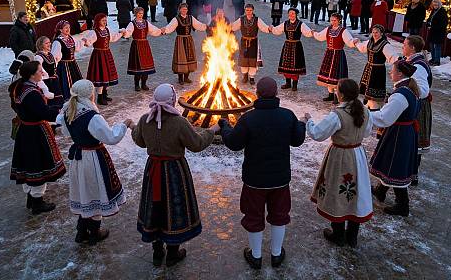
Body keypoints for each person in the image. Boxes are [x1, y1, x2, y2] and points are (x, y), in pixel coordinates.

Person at [219, 77, 306, 270]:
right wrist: (302, 124)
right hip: (280, 179)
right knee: (279, 214)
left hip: (254, 180)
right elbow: (297, 140)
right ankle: (276, 254)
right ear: (276, 93)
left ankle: (256, 256)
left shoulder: (249, 118)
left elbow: (234, 143)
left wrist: (225, 127)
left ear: (257, 94)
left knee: (253, 215)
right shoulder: (287, 115)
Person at [131, 84, 216, 267]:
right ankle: (172, 253)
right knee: (174, 207)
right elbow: (197, 144)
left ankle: (157, 251)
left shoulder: (146, 119)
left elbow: (139, 141)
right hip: (174, 171)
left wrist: (133, 128)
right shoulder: (179, 122)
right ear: (172, 100)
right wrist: (213, 130)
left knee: (155, 206)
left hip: (153, 169)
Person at [56, 80, 132, 245]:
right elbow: (111, 137)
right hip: (93, 158)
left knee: (85, 192)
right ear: (90, 94)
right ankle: (94, 232)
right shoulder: (92, 116)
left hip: (78, 158)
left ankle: (82, 231)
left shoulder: (68, 109)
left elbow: (66, 133)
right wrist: (124, 125)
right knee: (95, 192)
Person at [303, 78, 372, 247]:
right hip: (358, 155)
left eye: (337, 90)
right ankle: (352, 236)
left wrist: (309, 121)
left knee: (337, 191)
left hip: (340, 156)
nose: (335, 92)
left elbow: (318, 134)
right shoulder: (365, 110)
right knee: (357, 192)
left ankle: (339, 234)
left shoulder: (338, 114)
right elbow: (368, 131)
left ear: (341, 94)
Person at [9, 61, 66, 214]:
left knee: (29, 164)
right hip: (35, 133)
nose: (42, 73)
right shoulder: (32, 93)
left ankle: (31, 198)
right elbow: (44, 112)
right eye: (40, 71)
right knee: (38, 165)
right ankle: (37, 203)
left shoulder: (22, 87)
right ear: (32, 75)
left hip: (26, 131)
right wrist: (61, 111)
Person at [370, 61, 420, 217]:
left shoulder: (400, 95)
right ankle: (380, 190)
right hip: (405, 132)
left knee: (395, 165)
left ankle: (402, 205)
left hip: (399, 134)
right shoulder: (409, 90)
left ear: (400, 74)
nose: (390, 73)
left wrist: (366, 115)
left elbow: (385, 118)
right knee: (391, 163)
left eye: (392, 70)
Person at [402, 35, 432, 186]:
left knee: (415, 141)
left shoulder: (418, 66)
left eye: (405, 44)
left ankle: (412, 175)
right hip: (414, 104)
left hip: (417, 107)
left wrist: (406, 93)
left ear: (412, 47)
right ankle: (410, 174)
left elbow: (424, 90)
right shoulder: (412, 61)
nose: (402, 46)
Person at [312, 13, 356, 103]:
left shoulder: (343, 31)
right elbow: (320, 36)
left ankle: (337, 96)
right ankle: (330, 95)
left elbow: (349, 41)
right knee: (328, 75)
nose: (332, 22)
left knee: (336, 75)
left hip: (338, 55)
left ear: (339, 20)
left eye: (334, 20)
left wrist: (354, 42)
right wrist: (314, 33)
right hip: (329, 54)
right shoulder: (328, 29)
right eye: (331, 20)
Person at [162, 3, 207, 85]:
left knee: (189, 58)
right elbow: (170, 27)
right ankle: (180, 78)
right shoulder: (176, 19)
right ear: (180, 10)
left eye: (186, 9)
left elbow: (198, 25)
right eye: (183, 9)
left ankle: (186, 77)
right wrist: (164, 30)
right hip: (180, 40)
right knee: (181, 58)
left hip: (189, 39)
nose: (184, 10)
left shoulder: (190, 18)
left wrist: (206, 26)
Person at [355, 25, 398, 110]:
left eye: (377, 32)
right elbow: (362, 48)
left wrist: (399, 62)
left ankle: (375, 106)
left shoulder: (385, 45)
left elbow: (392, 56)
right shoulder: (370, 42)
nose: (374, 34)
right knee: (367, 86)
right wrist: (356, 43)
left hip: (378, 70)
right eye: (373, 32)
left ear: (381, 33)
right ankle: (368, 103)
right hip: (369, 67)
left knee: (375, 87)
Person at [84, 14, 124, 105]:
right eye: (103, 20)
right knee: (101, 75)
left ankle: (105, 94)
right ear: (98, 21)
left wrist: (121, 33)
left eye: (105, 20)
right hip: (98, 55)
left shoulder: (107, 30)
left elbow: (113, 38)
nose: (104, 22)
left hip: (107, 54)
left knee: (107, 75)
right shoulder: (94, 32)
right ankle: (100, 97)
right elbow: (89, 41)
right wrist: (85, 41)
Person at [271, 8, 313, 91]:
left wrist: (312, 32)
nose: (291, 15)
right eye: (290, 13)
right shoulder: (285, 23)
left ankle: (294, 84)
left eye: (293, 13)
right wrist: (271, 28)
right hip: (287, 45)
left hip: (296, 46)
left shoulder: (300, 24)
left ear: (296, 15)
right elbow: (277, 30)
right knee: (286, 65)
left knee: (295, 64)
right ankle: (288, 83)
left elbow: (307, 32)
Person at [231, 4, 271, 85]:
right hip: (244, 42)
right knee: (244, 59)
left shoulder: (257, 20)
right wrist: (225, 25)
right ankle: (245, 76)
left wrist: (269, 29)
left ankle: (252, 77)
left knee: (253, 60)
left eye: (250, 10)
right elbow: (233, 27)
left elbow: (264, 27)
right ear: (245, 11)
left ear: (253, 11)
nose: (248, 12)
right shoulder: (241, 19)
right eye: (247, 10)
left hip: (253, 42)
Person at [124, 7, 162, 91]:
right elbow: (128, 32)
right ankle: (137, 85)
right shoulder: (132, 23)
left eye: (142, 13)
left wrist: (161, 31)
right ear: (135, 14)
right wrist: (124, 33)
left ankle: (144, 84)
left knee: (146, 66)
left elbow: (153, 30)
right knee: (138, 67)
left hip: (145, 45)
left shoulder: (146, 22)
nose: (140, 15)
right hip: (136, 45)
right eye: (139, 13)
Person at [51, 20, 86, 100]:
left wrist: (83, 41)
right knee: (66, 84)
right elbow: (55, 56)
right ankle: (68, 101)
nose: (68, 29)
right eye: (65, 28)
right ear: (60, 30)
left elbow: (76, 48)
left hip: (73, 64)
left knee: (76, 82)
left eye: (69, 27)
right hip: (64, 67)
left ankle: (77, 100)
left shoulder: (70, 38)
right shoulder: (58, 41)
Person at [35, 36, 64, 108]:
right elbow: (39, 70)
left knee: (58, 101)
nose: (49, 44)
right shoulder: (38, 57)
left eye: (49, 42)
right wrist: (45, 78)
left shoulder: (50, 54)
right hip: (46, 82)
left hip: (54, 81)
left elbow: (55, 64)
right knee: (50, 103)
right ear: (41, 45)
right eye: (46, 43)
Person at [426, 0, 448, 66]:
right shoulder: (433, 10)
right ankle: (433, 58)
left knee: (437, 46)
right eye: (434, 4)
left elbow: (443, 23)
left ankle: (437, 60)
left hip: (439, 32)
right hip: (432, 32)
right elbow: (430, 18)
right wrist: (428, 23)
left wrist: (433, 27)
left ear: (439, 4)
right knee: (432, 46)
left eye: (436, 4)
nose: (435, 5)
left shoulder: (442, 11)